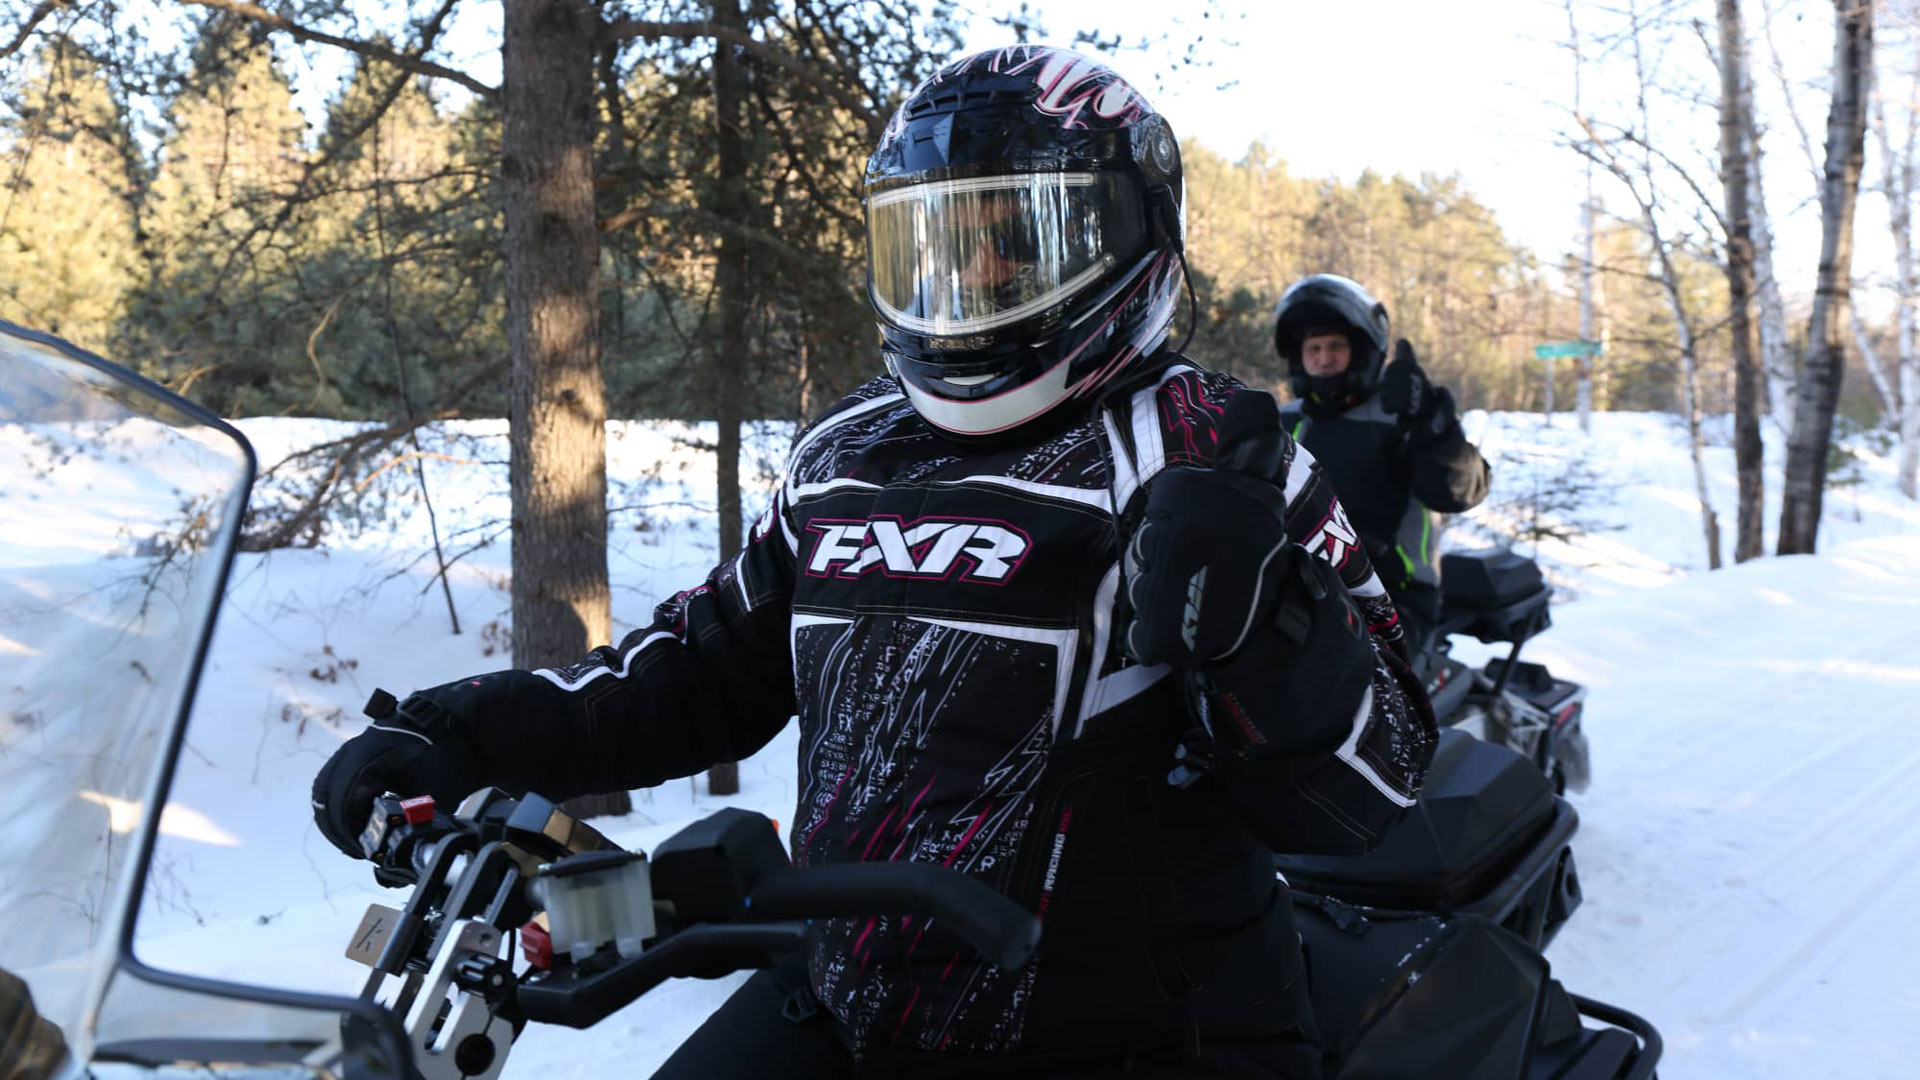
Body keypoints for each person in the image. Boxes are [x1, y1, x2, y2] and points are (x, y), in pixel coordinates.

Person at [311, 47, 1436, 1080]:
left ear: (1123, 239)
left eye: (1014, 241)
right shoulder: (852, 451)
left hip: (1138, 1028)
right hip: (853, 994)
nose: (972, 278)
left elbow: (1381, 780)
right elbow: (696, 670)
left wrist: (1264, 629)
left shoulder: (1211, 451)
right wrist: (456, 731)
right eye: (937, 244)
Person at [1272, 275, 1491, 654]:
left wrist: (1431, 424)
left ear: (1362, 348)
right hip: (1295, 586)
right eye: (1314, 348)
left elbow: (1459, 491)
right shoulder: (1283, 422)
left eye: (1336, 346)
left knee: (1325, 691)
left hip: (1393, 600)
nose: (1324, 359)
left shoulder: (1401, 417)